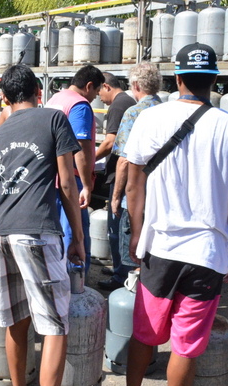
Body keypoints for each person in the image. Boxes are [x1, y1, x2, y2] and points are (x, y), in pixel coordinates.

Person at [115, 43, 228, 386]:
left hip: (159, 248)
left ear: (176, 79)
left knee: (145, 332)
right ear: (214, 80)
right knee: (186, 343)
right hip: (208, 253)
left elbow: (133, 185)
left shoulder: (150, 119)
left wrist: (136, 232)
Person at [0, 64, 84, 386]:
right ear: (37, 92)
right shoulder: (54, 119)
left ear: (6, 99)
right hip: (38, 231)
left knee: (16, 318)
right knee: (55, 325)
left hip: (1, 231)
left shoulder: (0, 134)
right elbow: (68, 183)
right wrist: (76, 235)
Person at [45, 65, 104, 273]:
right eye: (96, 92)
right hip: (71, 180)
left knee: (57, 233)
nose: (95, 96)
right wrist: (87, 185)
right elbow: (81, 148)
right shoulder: (80, 105)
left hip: (51, 177)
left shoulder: (54, 100)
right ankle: (75, 286)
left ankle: (59, 278)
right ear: (88, 86)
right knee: (75, 232)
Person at [109, 63, 163, 279]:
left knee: (132, 256)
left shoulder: (134, 113)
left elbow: (124, 161)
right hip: (160, 195)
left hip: (135, 196)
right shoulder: (166, 110)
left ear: (136, 85)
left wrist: (115, 197)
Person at [95, 72, 135, 291]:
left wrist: (90, 160)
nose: (99, 97)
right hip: (123, 174)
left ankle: (120, 276)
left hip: (121, 175)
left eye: (99, 91)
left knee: (117, 226)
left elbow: (110, 142)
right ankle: (119, 267)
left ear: (106, 86)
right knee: (117, 227)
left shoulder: (119, 106)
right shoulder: (126, 102)